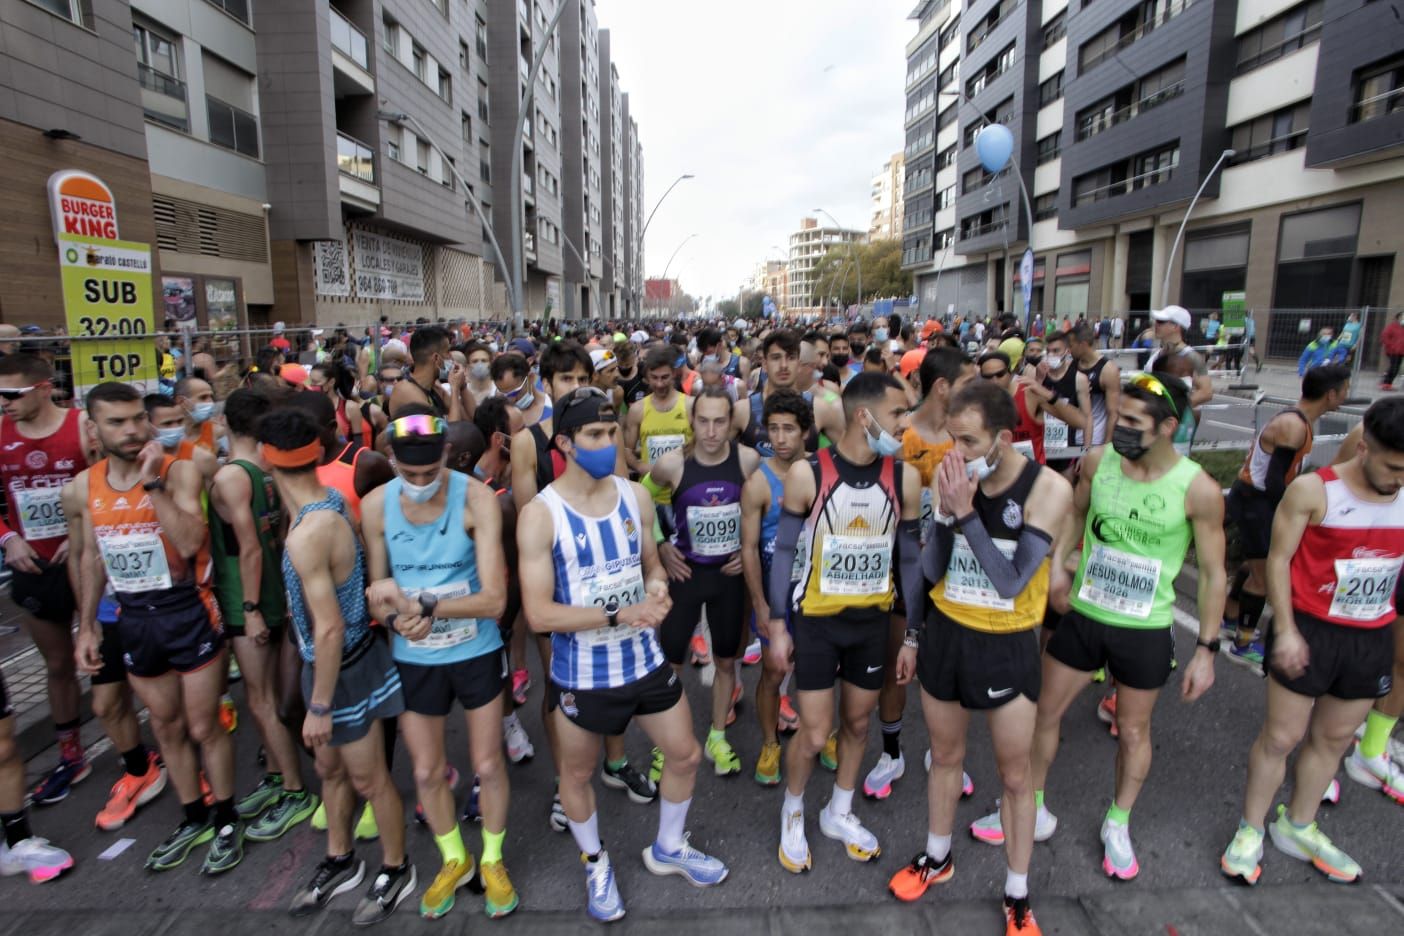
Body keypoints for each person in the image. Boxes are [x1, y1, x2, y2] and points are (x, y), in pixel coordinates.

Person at [968, 372, 1225, 879]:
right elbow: (1073, 514)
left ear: (1168, 426)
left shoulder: (1198, 488)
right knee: (1042, 712)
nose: (1120, 429)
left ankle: (1118, 821)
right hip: (1086, 615)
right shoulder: (1098, 462)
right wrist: (1061, 563)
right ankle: (1031, 806)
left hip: (1144, 627)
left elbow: (1216, 573)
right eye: (1119, 416)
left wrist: (1207, 649)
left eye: (1133, 422)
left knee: (1132, 729)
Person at [518, 387, 728, 922]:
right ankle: (595, 860)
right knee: (578, 775)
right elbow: (539, 615)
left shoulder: (634, 496)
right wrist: (620, 614)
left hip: (643, 662)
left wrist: (656, 588)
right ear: (564, 442)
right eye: (593, 435)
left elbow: (650, 564)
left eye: (612, 433)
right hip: (582, 674)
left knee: (684, 754)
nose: (607, 444)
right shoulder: (541, 516)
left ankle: (669, 847)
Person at [888, 381, 1071, 935]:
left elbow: (1014, 583)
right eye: (952, 439)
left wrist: (966, 513)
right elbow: (934, 571)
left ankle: (1017, 892)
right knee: (944, 756)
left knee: (1015, 776)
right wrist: (914, 634)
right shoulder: (952, 474)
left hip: (1007, 641)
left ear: (1005, 438)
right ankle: (937, 856)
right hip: (947, 634)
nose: (956, 453)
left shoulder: (1049, 488)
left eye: (968, 441)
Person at [1220, 397, 1404, 886]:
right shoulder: (1312, 491)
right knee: (1281, 738)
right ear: (1364, 448)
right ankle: (1250, 828)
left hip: (1369, 635)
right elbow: (1278, 560)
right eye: (1394, 466)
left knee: (1335, 739)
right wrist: (1287, 628)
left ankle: (1297, 824)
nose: (1400, 478)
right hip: (1310, 630)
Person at [72, 382, 239, 874]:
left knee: (205, 724)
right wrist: (85, 626)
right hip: (133, 616)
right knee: (165, 725)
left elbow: (189, 542)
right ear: (93, 428)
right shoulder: (82, 487)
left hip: (187, 609)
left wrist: (151, 486)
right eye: (115, 422)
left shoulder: (179, 471)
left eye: (135, 420)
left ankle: (227, 816)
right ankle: (193, 815)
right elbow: (89, 557)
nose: (129, 431)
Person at [258, 408, 415, 924]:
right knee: (330, 770)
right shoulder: (324, 499)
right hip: (323, 665)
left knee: (369, 779)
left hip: (342, 668)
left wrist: (320, 704)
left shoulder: (309, 532)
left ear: (268, 463)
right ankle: (340, 858)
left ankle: (396, 867)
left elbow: (327, 628)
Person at [362, 414, 517, 919]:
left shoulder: (476, 500)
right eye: (412, 474)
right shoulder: (374, 508)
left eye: (433, 472)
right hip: (415, 657)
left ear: (448, 456)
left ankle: (493, 859)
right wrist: (393, 615)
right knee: (427, 769)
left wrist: (422, 607)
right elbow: (378, 594)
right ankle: (455, 859)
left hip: (474, 649)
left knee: (488, 763)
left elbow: (495, 599)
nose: (423, 482)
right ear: (392, 463)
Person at [770, 372, 924, 872]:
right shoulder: (807, 474)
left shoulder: (906, 478)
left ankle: (839, 810)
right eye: (899, 414)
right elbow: (785, 553)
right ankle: (792, 810)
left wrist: (912, 637)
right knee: (815, 735)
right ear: (865, 416)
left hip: (871, 625)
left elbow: (910, 562)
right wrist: (776, 625)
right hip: (815, 622)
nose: (906, 425)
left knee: (858, 723)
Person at [862, 347, 976, 802]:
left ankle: (944, 754)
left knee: (947, 670)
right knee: (896, 665)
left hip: (955, 569)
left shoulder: (967, 437)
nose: (975, 391)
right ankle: (891, 752)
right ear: (944, 386)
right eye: (967, 382)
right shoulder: (898, 436)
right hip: (902, 566)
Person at [208, 388, 319, 841]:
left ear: (225, 423)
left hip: (246, 596)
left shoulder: (233, 477)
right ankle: (276, 776)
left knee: (261, 699)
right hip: (274, 590)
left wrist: (250, 609)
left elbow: (250, 547)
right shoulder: (270, 471)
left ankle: (295, 790)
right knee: (270, 695)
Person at [648, 387, 760, 776]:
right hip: (687, 576)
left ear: (732, 423)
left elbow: (765, 509)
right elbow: (640, 500)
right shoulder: (672, 465)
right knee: (673, 660)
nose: (712, 431)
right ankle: (667, 743)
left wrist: (748, 551)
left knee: (726, 660)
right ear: (692, 422)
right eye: (704, 421)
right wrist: (662, 546)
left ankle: (717, 735)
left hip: (728, 578)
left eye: (720, 422)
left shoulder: (748, 461)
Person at [0, 354, 92, 805]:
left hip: (88, 560)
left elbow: (107, 482)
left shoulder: (81, 426)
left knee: (114, 660)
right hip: (33, 565)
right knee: (57, 665)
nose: (4, 403)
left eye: (11, 394)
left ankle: (144, 748)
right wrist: (8, 538)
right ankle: (71, 754)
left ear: (41, 387)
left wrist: (82, 531)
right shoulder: (1, 434)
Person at [1225, 365, 1351, 665]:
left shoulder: (1300, 420)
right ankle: (1243, 641)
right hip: (1256, 501)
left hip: (1255, 499)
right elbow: (1273, 482)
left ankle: (1230, 616)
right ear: (1331, 394)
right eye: (1344, 390)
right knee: (1265, 575)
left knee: (1255, 563)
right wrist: (1297, 512)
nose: (1346, 396)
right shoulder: (1294, 426)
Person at [741, 391, 813, 785]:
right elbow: (749, 548)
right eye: (773, 429)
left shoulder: (821, 472)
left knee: (818, 672)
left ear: (805, 431)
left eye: (789, 429)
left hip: (817, 595)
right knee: (773, 671)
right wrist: (760, 604)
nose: (781, 437)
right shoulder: (757, 482)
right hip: (776, 595)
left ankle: (820, 735)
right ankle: (770, 743)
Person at [625, 345, 694, 480]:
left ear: (674, 373)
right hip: (651, 491)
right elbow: (627, 450)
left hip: (683, 489)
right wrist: (639, 466)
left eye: (664, 377)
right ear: (647, 376)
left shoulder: (690, 405)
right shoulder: (637, 409)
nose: (659, 384)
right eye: (654, 377)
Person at [389, 325, 463, 420]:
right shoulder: (406, 391)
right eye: (448, 351)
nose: (451, 357)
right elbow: (452, 432)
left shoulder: (433, 387)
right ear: (436, 358)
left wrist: (463, 386)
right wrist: (455, 388)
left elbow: (467, 419)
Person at [1068, 321, 1120, 451]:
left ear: (1083, 345)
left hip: (1095, 440)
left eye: (1071, 345)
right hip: (1070, 438)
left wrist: (1106, 447)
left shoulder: (1108, 370)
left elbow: (1113, 413)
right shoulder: (1071, 365)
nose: (1069, 349)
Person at [1381, 312, 1404, 389]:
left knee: (1396, 368)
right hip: (1393, 351)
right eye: (1402, 317)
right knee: (1393, 367)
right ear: (1398, 318)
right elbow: (1384, 336)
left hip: (1401, 351)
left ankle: (1388, 383)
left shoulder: (1402, 327)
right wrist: (1391, 346)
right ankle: (1386, 383)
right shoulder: (1392, 327)